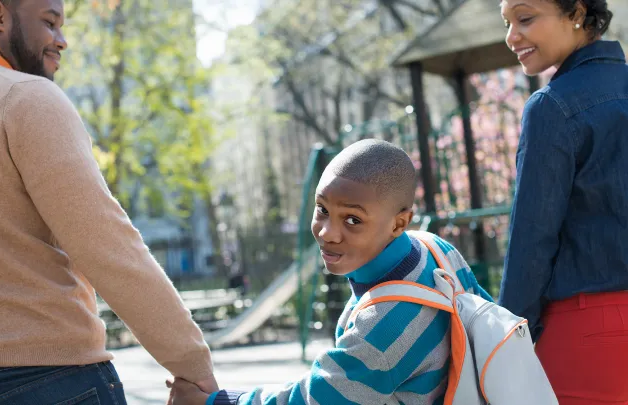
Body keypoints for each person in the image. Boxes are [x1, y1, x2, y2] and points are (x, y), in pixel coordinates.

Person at [0, 0, 218, 404]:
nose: (62, 41)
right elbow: (107, 246)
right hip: (52, 381)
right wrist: (195, 369)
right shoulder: (25, 96)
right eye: (50, 23)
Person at [168, 139, 493, 405]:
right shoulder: (436, 249)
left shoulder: (386, 322)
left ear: (399, 223)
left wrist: (212, 401)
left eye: (353, 219)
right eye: (322, 209)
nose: (327, 232)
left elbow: (313, 400)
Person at [498, 0, 627, 403]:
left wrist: (504, 343)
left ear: (576, 13)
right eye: (507, 23)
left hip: (589, 337)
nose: (511, 36)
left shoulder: (552, 106)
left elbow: (532, 243)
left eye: (525, 18)